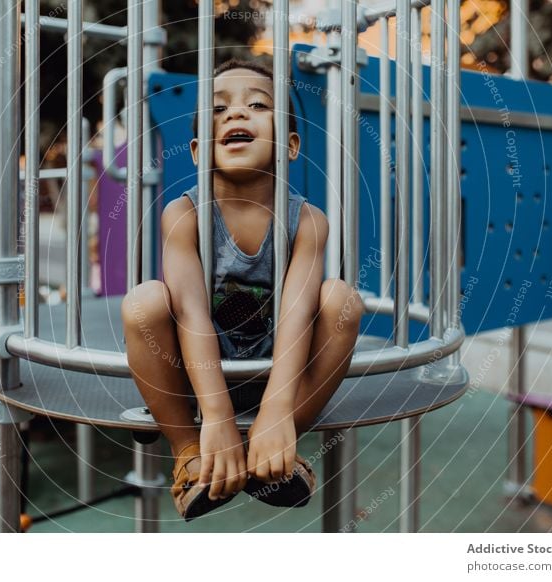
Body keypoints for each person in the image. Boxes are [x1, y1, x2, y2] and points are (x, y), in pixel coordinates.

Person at [121, 59, 364, 521]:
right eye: (218, 109)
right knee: (144, 302)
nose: (236, 114)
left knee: (341, 299)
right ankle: (190, 451)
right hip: (200, 375)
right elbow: (190, 311)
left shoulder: (307, 222)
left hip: (283, 379)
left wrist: (276, 410)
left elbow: (296, 314)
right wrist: (214, 415)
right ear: (197, 151)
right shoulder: (184, 215)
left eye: (257, 104)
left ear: (290, 144)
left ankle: (275, 445)